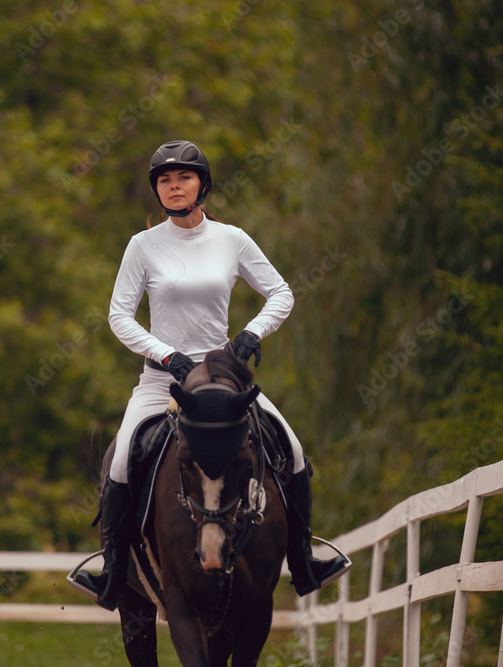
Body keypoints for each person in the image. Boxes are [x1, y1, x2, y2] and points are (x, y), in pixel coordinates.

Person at [73, 140, 350, 611]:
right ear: (156, 190)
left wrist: (251, 333)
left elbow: (281, 293)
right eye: (164, 180)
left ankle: (303, 561)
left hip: (223, 380)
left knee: (295, 449)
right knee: (120, 461)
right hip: (164, 381)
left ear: (202, 185)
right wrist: (166, 356)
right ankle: (113, 572)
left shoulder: (232, 239)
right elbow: (119, 316)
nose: (174, 186)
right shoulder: (142, 246)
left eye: (183, 177)